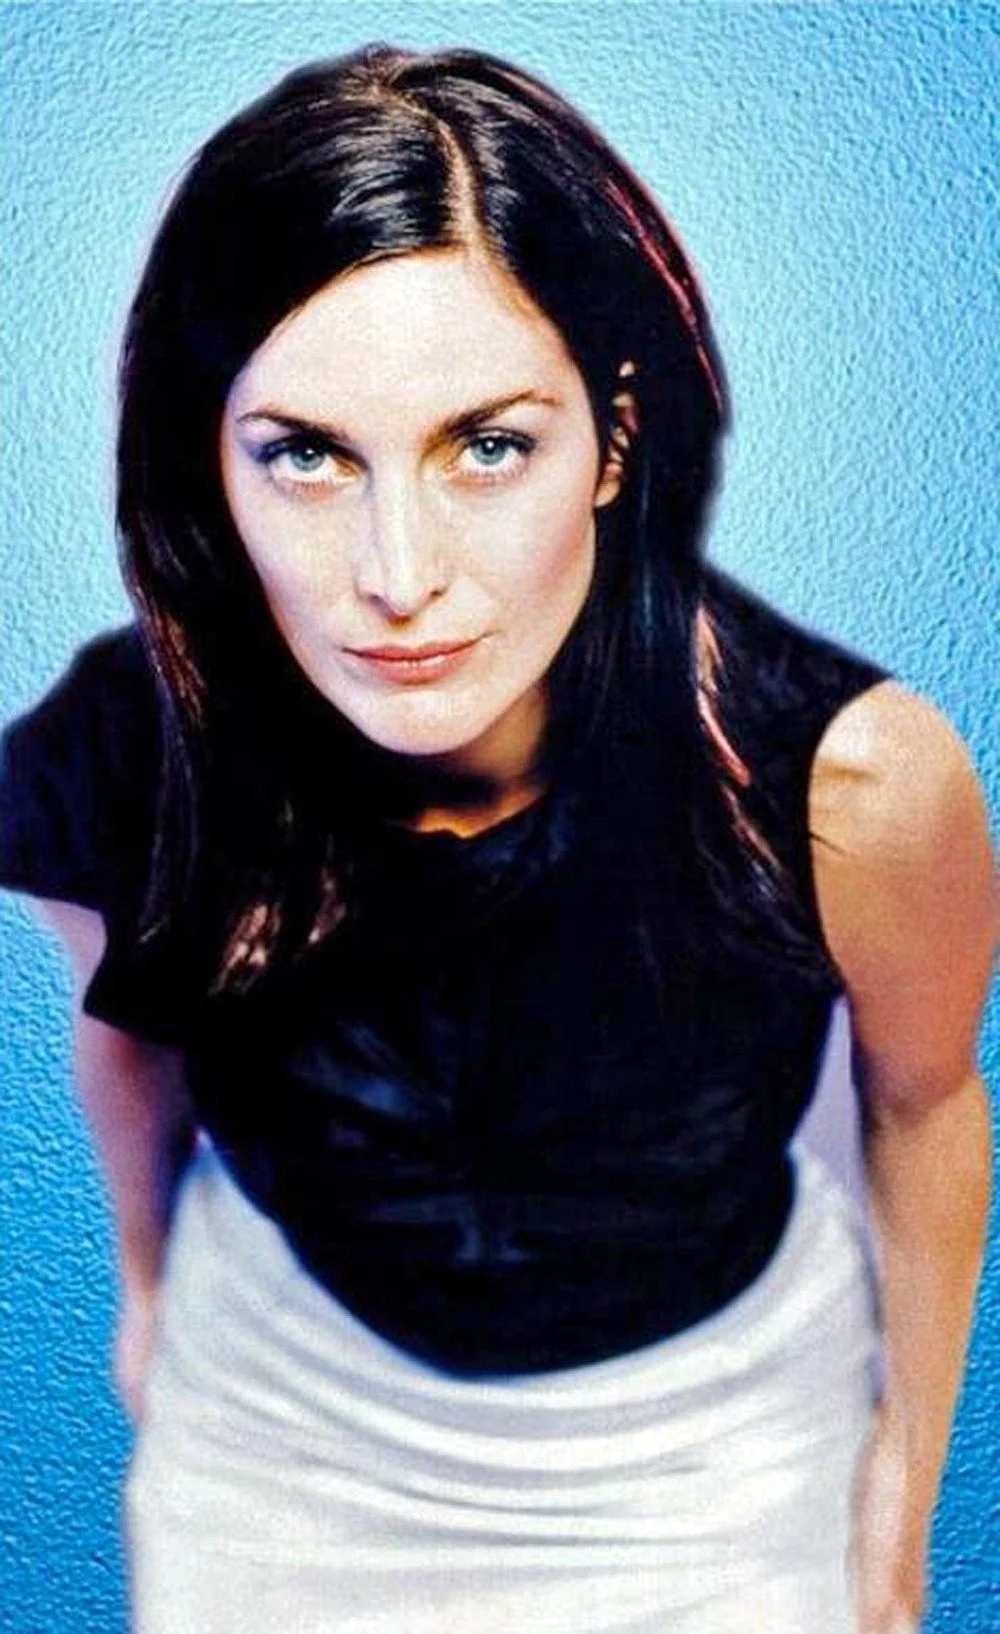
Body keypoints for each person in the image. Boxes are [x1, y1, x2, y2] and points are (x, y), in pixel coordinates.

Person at [0, 41, 995, 1634]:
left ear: (614, 440)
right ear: (211, 465)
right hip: (282, 1424)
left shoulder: (852, 784)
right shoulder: (126, 752)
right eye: (306, 453)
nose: (398, 575)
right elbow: (128, 1025)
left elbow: (928, 1104)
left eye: (487, 445)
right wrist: (147, 1282)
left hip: (716, 1444)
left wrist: (898, 1485)